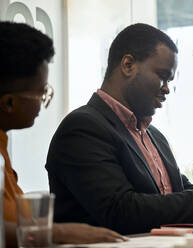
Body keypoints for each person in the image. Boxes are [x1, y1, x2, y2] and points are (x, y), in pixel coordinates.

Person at [45, 23, 193, 235]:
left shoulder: (154, 136)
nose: (166, 89)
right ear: (128, 65)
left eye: (169, 80)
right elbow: (120, 210)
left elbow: (177, 191)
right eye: (162, 75)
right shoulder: (82, 128)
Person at [0, 21, 126, 247]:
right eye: (41, 93)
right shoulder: (83, 127)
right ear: (9, 103)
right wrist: (59, 233)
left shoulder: (3, 148)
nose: (44, 102)